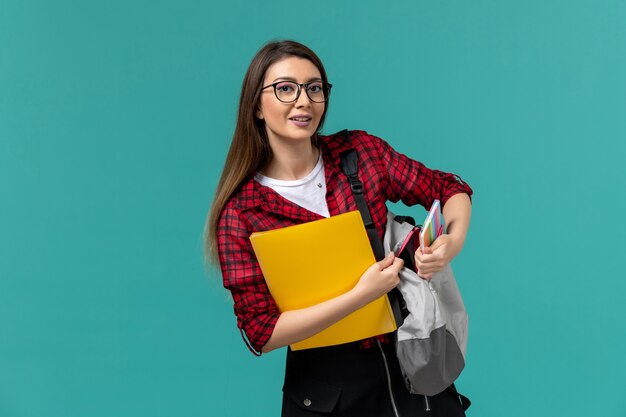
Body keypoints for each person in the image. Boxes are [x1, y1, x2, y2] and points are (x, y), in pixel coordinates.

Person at [206, 40, 473, 417]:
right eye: (286, 88)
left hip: (415, 369)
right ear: (256, 106)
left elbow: (449, 188)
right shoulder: (242, 212)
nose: (304, 101)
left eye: (314, 88)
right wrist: (361, 296)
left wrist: (453, 241)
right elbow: (260, 333)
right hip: (329, 394)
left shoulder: (361, 154)